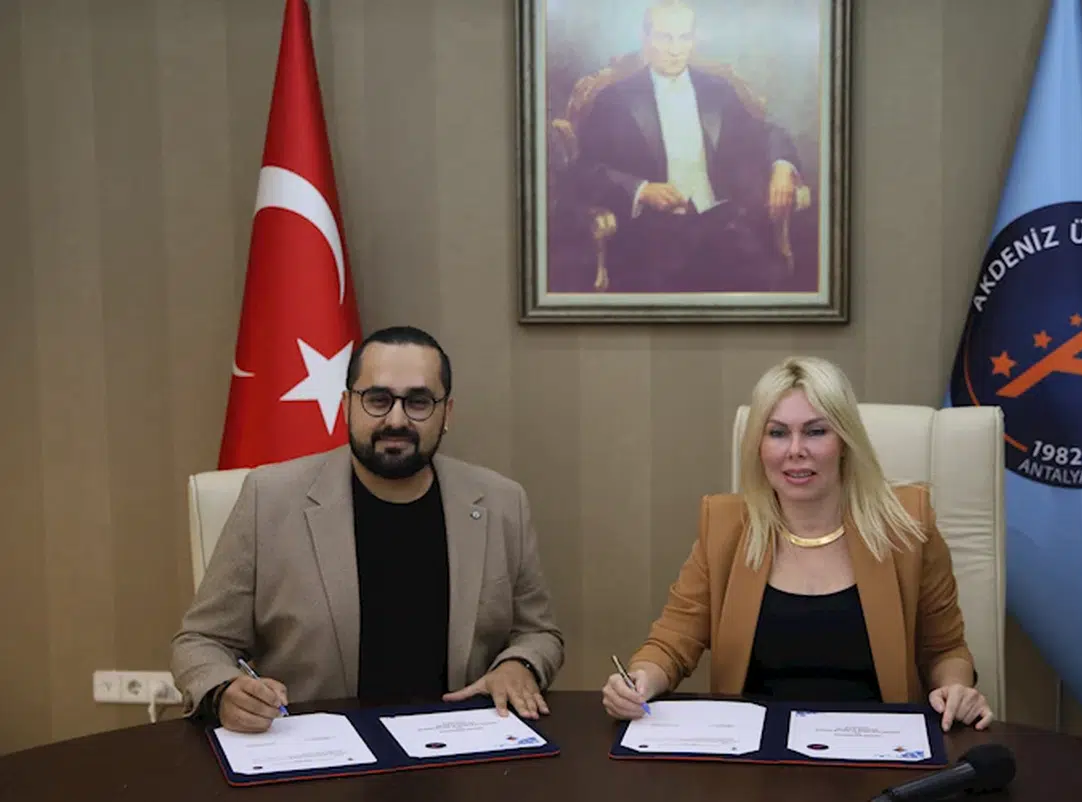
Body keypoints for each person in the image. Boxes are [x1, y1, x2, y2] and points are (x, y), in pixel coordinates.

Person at [172, 325, 564, 733]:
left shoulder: (501, 502)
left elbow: (538, 632)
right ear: (347, 406)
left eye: (418, 402)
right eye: (377, 400)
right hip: (315, 749)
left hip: (459, 745)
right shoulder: (269, 499)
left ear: (446, 413)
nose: (396, 420)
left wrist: (519, 665)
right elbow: (202, 642)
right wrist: (224, 690)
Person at [601, 356, 993, 731]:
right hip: (753, 752)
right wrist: (640, 681)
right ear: (759, 446)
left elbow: (944, 650)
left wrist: (955, 687)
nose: (795, 450)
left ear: (845, 441)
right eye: (777, 433)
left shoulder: (907, 525)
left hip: (875, 747)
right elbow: (672, 642)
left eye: (815, 431)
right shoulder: (724, 527)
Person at [573, 0, 802, 293]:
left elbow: (767, 132)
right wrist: (642, 190)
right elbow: (585, 169)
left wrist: (782, 166)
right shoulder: (614, 99)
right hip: (652, 237)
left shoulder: (718, 90)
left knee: (764, 283)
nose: (675, 49)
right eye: (664, 37)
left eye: (684, 38)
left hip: (723, 224)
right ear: (645, 39)